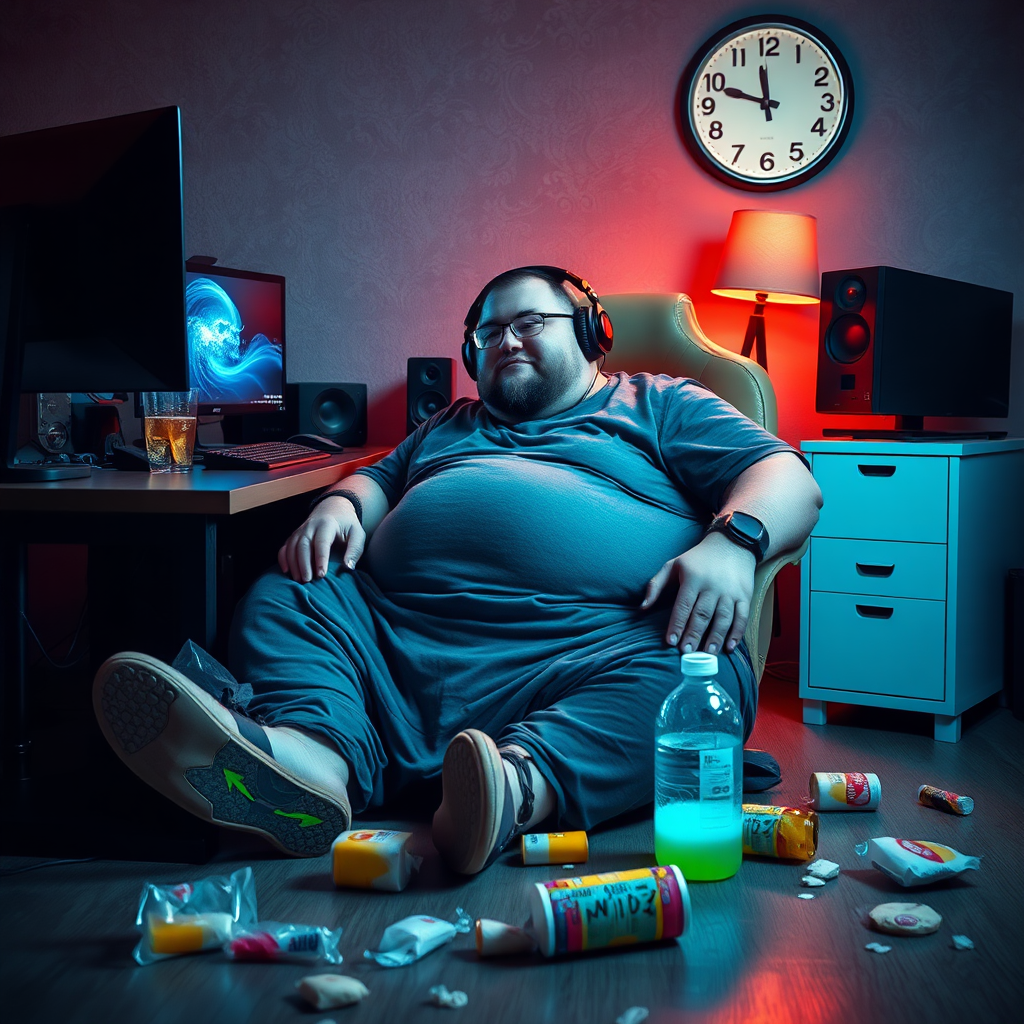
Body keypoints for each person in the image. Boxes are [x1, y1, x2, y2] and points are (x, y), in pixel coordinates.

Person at [93, 265, 822, 873]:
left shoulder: (657, 403)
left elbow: (786, 475)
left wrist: (736, 541)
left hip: (583, 652)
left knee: (694, 672)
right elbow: (379, 479)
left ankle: (509, 788)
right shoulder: (449, 424)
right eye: (488, 332)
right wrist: (343, 504)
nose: (504, 340)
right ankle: (310, 764)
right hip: (394, 645)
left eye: (528, 322)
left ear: (593, 333)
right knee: (294, 589)